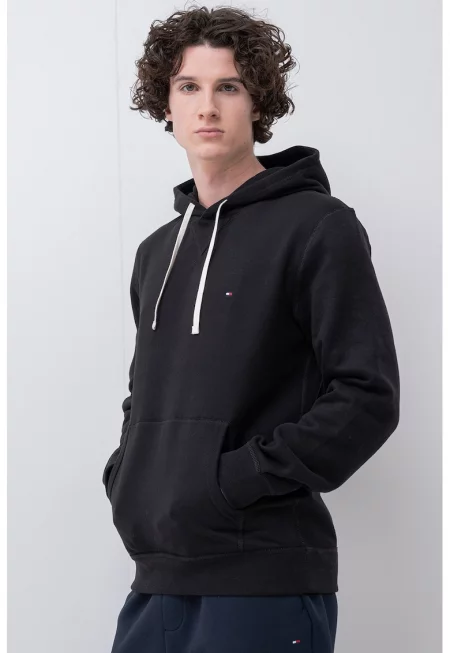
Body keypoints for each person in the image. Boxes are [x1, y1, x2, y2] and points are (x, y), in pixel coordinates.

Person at [102, 5, 401, 652]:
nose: (207, 106)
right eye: (189, 86)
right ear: (166, 103)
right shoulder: (156, 252)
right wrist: (131, 478)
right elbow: (144, 396)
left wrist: (231, 482)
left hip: (262, 580)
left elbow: (367, 395)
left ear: (257, 100)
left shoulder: (318, 226)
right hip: (156, 578)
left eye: (229, 86)